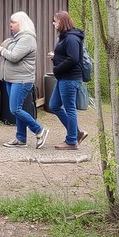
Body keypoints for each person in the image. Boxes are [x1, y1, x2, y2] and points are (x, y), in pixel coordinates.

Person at [0, 11, 49, 149]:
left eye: (13, 22)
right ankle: (21, 138)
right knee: (19, 108)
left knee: (15, 109)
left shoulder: (27, 38)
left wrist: (0, 49)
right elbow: (7, 48)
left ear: (21, 24)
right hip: (12, 79)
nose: (10, 24)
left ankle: (39, 130)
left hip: (22, 80)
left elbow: (14, 56)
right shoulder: (16, 38)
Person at [48, 11, 89, 150]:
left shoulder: (71, 38)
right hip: (63, 78)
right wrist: (55, 57)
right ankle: (77, 132)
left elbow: (73, 59)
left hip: (70, 78)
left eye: (56, 21)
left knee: (70, 108)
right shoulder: (66, 37)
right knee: (54, 105)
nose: (54, 24)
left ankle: (71, 141)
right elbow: (68, 56)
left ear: (62, 22)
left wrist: (57, 68)